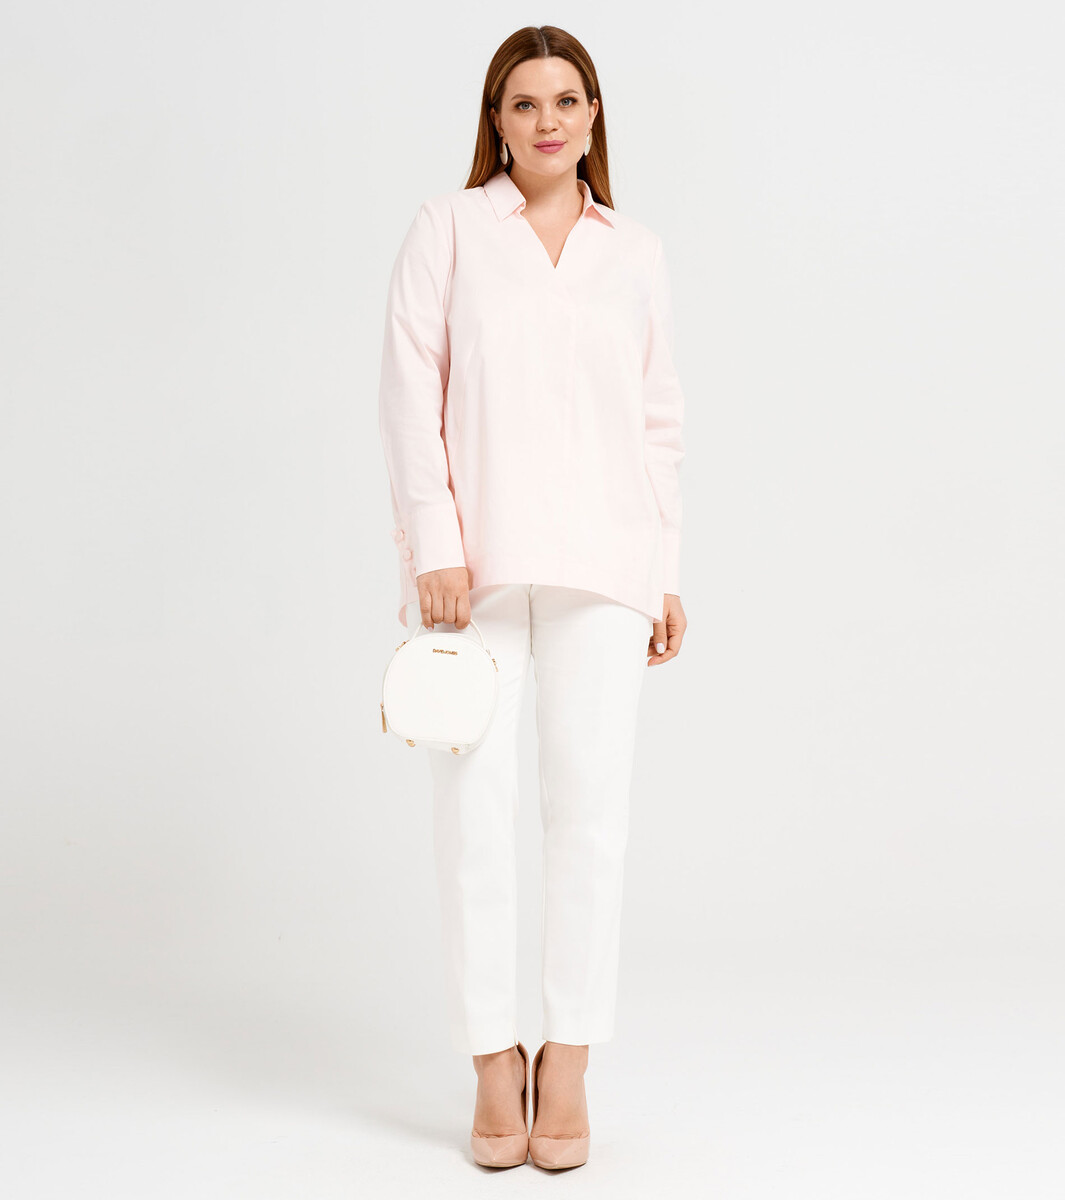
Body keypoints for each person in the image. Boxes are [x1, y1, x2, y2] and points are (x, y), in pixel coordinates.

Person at [377, 25, 688, 1170]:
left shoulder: (635, 251)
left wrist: (663, 571)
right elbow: (410, 391)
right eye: (524, 102)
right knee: (474, 819)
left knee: (591, 818)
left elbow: (659, 421)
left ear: (593, 116)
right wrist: (434, 546)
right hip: (480, 572)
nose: (547, 120)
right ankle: (489, 1057)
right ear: (496, 121)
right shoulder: (450, 229)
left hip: (609, 567)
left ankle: (569, 1058)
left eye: (567, 99)